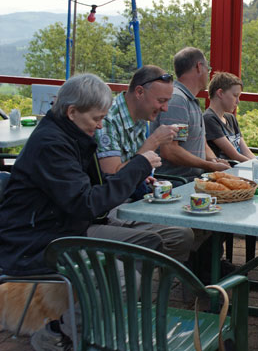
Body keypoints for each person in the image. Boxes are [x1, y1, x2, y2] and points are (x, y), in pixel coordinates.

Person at [0, 74, 162, 350]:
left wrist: (133, 177)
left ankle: (86, 322)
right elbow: (85, 203)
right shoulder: (52, 145)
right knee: (126, 278)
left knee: (151, 244)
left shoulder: (69, 135)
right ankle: (66, 333)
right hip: (35, 243)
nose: (100, 125)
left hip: (63, 229)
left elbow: (86, 194)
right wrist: (138, 165)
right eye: (96, 118)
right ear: (72, 111)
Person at [94, 65, 195, 263]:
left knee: (192, 223)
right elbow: (113, 179)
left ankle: (147, 280)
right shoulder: (107, 121)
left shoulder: (140, 119)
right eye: (161, 101)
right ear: (139, 92)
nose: (165, 108)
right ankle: (138, 281)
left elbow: (133, 170)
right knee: (180, 234)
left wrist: (145, 176)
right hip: (112, 207)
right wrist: (153, 143)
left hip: (135, 198)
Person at [150, 47, 229, 180]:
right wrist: (208, 166)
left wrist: (214, 161)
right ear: (199, 67)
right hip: (177, 183)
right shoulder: (177, 100)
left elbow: (202, 144)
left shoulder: (190, 100)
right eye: (208, 69)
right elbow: (169, 150)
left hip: (194, 179)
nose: (208, 74)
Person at [204, 72, 255, 162]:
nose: (238, 101)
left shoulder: (230, 118)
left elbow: (245, 151)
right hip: (226, 170)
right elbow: (234, 155)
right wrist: (255, 165)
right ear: (220, 93)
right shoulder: (209, 119)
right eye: (235, 96)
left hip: (239, 167)